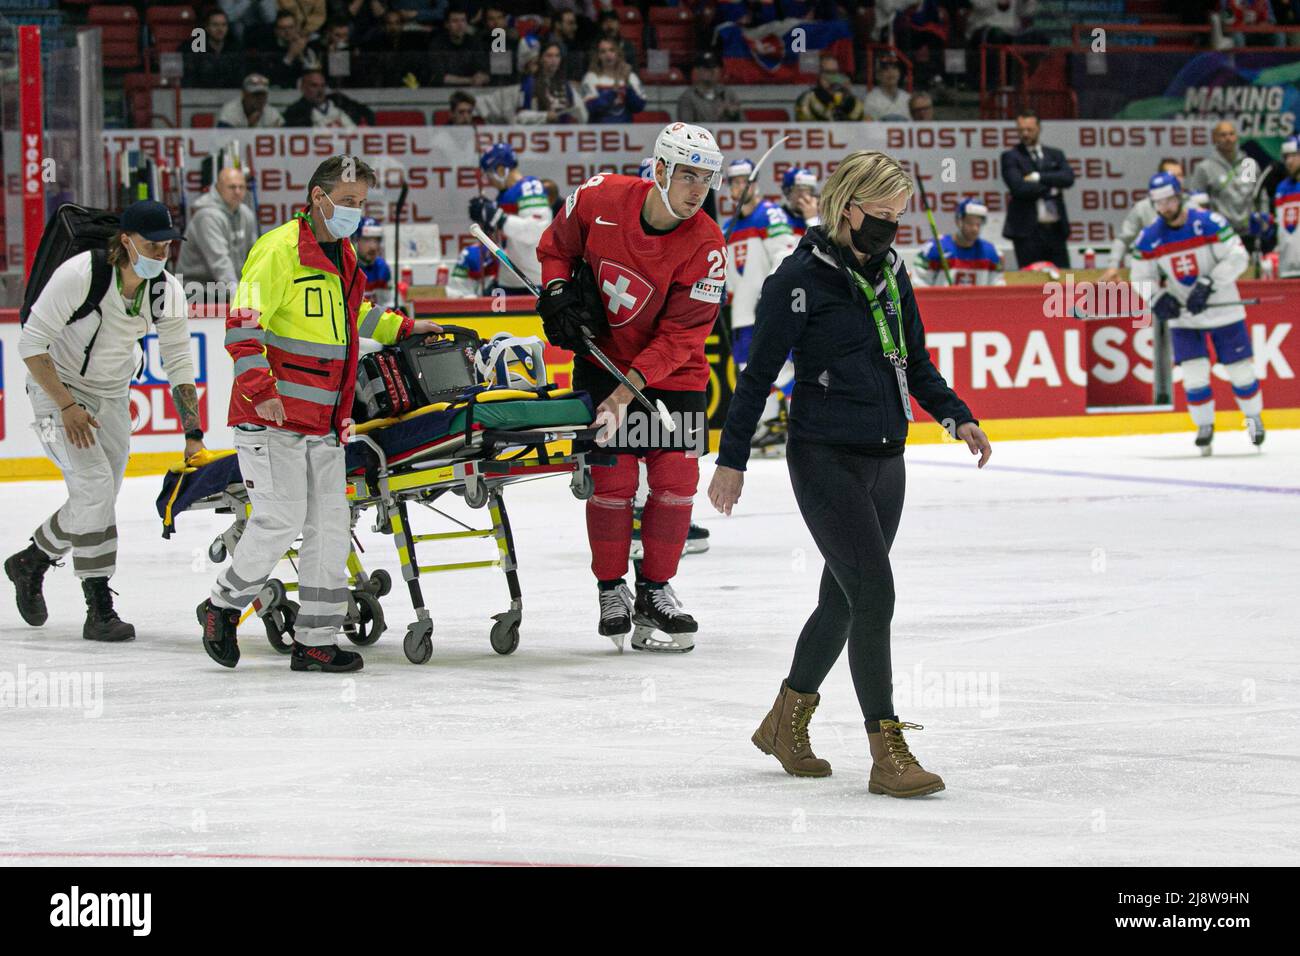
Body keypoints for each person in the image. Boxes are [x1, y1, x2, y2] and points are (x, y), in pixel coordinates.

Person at [708, 150, 991, 798]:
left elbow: (915, 360)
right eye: (882, 214)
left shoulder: (893, 272)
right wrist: (731, 462)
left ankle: (786, 719)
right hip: (824, 456)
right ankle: (886, 749)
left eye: (899, 215)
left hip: (887, 457)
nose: (891, 228)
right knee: (875, 594)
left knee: (842, 600)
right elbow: (754, 379)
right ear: (846, 206)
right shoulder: (798, 280)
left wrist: (956, 415)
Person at [198, 155, 442, 672]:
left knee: (331, 528)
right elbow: (242, 324)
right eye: (349, 202)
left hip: (326, 422)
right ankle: (221, 605)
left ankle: (315, 639)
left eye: (361, 204)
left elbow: (355, 315)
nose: (357, 212)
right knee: (280, 520)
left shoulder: (343, 255)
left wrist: (403, 329)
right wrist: (260, 388)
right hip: (272, 417)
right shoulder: (279, 250)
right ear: (318, 198)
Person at [535, 123, 727, 649]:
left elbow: (682, 335)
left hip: (675, 374)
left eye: (706, 180)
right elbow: (556, 247)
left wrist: (626, 394)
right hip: (603, 361)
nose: (696, 191)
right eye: (688, 176)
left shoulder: (708, 246)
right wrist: (556, 292)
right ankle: (611, 588)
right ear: (660, 169)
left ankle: (657, 590)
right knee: (614, 483)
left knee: (675, 481)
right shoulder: (600, 196)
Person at [6, 201, 202, 642]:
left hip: (112, 395)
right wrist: (66, 406)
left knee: (99, 496)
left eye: (168, 246)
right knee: (95, 488)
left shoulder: (164, 291)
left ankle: (31, 560)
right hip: (55, 389)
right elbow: (31, 346)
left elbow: (179, 362)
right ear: (126, 242)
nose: (161, 254)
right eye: (152, 246)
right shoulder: (81, 275)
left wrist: (193, 432)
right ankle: (99, 607)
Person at [1129, 171, 1264, 455]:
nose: (1165, 207)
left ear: (1179, 196)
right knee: (1194, 375)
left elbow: (1238, 256)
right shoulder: (1150, 237)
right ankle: (1204, 427)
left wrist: (1209, 283)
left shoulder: (1208, 222)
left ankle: (1253, 419)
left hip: (1224, 311)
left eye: (1169, 200)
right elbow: (1140, 276)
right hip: (1186, 318)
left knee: (1240, 372)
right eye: (1159, 203)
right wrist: (1158, 297)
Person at [722, 158, 798, 450]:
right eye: (735, 182)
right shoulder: (728, 226)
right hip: (742, 314)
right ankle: (768, 427)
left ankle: (798, 425)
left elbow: (784, 254)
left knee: (784, 370)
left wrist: (771, 293)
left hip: (768, 311)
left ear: (755, 185)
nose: (741, 187)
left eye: (746, 182)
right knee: (748, 371)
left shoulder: (771, 214)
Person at [468, 142, 555, 293]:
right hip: (507, 282)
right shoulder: (503, 196)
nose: (488, 181)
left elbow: (534, 232)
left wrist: (497, 218)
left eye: (489, 174)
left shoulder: (530, 187)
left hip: (532, 283)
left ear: (500, 169)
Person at [1100, 159, 1205, 283]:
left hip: (1189, 273)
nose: (1178, 180)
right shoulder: (1142, 208)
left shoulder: (1192, 207)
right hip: (1154, 277)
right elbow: (1123, 239)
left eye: (1180, 175)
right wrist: (1113, 266)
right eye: (1173, 175)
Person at [1000, 109, 1074, 268]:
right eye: (1021, 130)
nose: (1025, 134)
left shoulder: (1055, 154)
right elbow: (1018, 187)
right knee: (1032, 279)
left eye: (1029, 129)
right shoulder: (1011, 156)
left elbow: (1068, 178)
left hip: (1055, 229)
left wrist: (1038, 177)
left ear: (1039, 128)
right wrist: (1052, 188)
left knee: (1063, 279)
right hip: (1027, 232)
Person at [1188, 121, 1272, 256]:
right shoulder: (1205, 168)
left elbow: (1259, 195)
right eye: (1223, 135)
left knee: (1251, 274)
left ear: (1237, 137)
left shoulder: (1249, 165)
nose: (1228, 138)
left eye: (1231, 134)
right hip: (1222, 234)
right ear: (1214, 138)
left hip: (1249, 234)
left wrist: (1264, 218)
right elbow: (1195, 204)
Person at [177, 166, 258, 300]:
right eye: (232, 187)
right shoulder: (207, 216)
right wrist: (240, 298)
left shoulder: (246, 214)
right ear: (218, 188)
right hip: (196, 291)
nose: (237, 191)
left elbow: (254, 255)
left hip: (223, 290)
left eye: (241, 187)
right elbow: (220, 263)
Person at [911, 197, 1006, 286]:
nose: (975, 228)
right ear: (958, 221)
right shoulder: (934, 248)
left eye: (979, 224)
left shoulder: (991, 252)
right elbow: (919, 285)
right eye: (970, 223)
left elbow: (997, 288)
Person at [512, 41, 587, 124]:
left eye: (557, 56)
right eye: (549, 56)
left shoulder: (566, 85)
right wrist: (545, 116)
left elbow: (580, 113)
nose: (554, 60)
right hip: (539, 133)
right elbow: (519, 116)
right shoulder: (529, 83)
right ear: (541, 59)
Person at [358, 8, 430, 87]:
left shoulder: (412, 44)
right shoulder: (375, 45)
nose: (393, 27)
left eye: (397, 23)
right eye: (389, 23)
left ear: (402, 25)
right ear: (384, 26)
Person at [282, 68, 375, 128]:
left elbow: (368, 114)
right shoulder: (294, 111)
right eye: (314, 85)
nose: (320, 90)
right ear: (303, 88)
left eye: (323, 86)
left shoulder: (339, 100)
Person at [581, 37, 646, 124]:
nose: (608, 54)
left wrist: (627, 85)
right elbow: (591, 107)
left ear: (618, 53)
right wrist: (613, 93)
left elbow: (639, 106)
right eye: (603, 52)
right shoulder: (591, 77)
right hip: (599, 132)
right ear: (598, 56)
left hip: (625, 132)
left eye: (612, 50)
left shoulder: (630, 77)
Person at [250, 10, 321, 88]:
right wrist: (290, 56)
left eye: (291, 27)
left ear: (297, 28)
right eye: (283, 28)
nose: (287, 32)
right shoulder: (267, 49)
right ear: (276, 31)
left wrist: (302, 56)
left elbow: (315, 76)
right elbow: (271, 80)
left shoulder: (307, 48)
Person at [182, 8, 245, 88]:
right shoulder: (193, 49)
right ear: (207, 27)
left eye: (223, 25)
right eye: (215, 25)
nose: (220, 29)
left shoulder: (235, 49)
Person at [430, 4, 489, 87]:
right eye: (455, 21)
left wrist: (482, 77)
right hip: (444, 91)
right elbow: (439, 77)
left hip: (473, 91)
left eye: (463, 20)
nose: (460, 25)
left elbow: (484, 71)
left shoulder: (475, 42)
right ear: (446, 24)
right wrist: (470, 80)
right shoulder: (438, 44)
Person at [676, 52, 742, 124]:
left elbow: (745, 125)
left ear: (720, 71)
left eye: (714, 67)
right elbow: (686, 128)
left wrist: (735, 114)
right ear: (697, 71)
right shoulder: (688, 97)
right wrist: (717, 116)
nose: (711, 71)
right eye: (706, 68)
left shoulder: (728, 94)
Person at [794, 55, 865, 122]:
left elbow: (857, 125)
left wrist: (847, 99)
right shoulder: (806, 99)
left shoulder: (853, 101)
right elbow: (805, 125)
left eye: (835, 73)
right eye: (828, 72)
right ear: (820, 75)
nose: (832, 78)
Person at [1272, 134, 1300, 278]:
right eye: (1286, 157)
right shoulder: (1282, 188)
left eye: (1294, 155)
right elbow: (1283, 228)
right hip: (1287, 269)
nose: (1288, 161)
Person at [216, 73, 286, 128]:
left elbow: (285, 139)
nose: (260, 99)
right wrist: (249, 129)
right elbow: (223, 143)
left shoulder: (272, 113)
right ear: (244, 94)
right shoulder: (230, 112)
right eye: (256, 94)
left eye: (263, 94)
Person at [862, 54, 911, 121]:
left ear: (899, 73)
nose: (891, 72)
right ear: (878, 75)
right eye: (886, 69)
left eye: (894, 68)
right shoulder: (871, 99)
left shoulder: (907, 98)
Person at [353, 216, 391, 291]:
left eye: (377, 240)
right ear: (356, 241)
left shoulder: (382, 267)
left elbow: (384, 300)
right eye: (367, 240)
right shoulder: (347, 269)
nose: (373, 246)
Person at [779, 167, 820, 236]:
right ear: (787, 192)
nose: (805, 196)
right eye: (799, 190)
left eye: (809, 190)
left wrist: (813, 219)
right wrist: (812, 221)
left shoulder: (822, 218)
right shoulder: (779, 218)